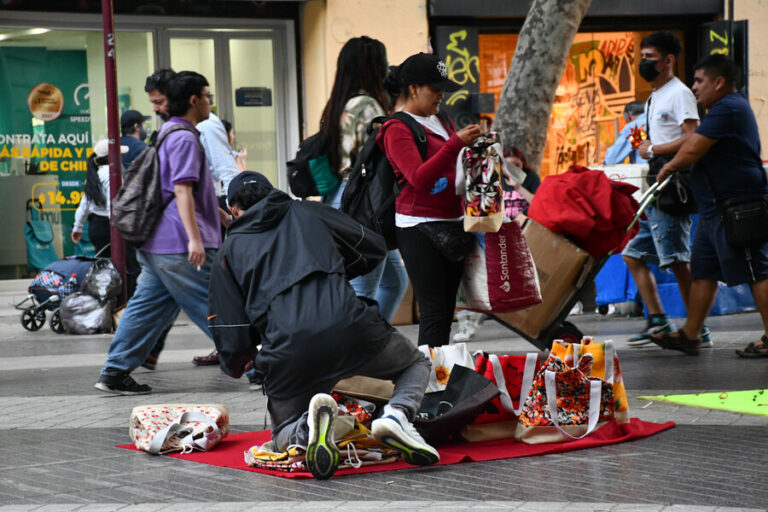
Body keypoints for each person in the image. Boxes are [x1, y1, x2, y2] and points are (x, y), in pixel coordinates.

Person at [208, 172, 439, 480]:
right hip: (351, 327)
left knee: (281, 434)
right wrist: (336, 273)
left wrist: (240, 362)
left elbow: (231, 325)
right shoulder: (309, 211)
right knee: (416, 363)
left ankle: (307, 428)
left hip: (288, 349)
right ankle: (397, 415)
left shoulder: (229, 251)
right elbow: (369, 245)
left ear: (234, 210)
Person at [94, 70, 221, 395]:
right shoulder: (182, 137)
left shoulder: (172, 133)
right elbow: (181, 191)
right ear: (193, 100)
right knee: (214, 303)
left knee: (146, 307)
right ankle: (257, 366)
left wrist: (224, 218)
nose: (210, 102)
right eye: (207, 96)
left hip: (157, 243)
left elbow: (193, 190)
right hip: (176, 244)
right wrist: (195, 239)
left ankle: (115, 371)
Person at [651, 55, 768, 356]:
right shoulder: (721, 109)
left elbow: (692, 147)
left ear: (719, 82)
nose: (694, 87)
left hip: (738, 206)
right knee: (703, 270)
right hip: (713, 209)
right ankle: (691, 335)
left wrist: (668, 167)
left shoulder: (729, 107)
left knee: (757, 270)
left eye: (699, 81)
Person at [379, 52, 481, 347]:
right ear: (413, 88)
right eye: (434, 89)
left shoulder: (442, 119)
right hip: (419, 228)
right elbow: (419, 178)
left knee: (446, 311)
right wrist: (456, 144)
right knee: (434, 312)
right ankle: (430, 385)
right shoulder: (396, 128)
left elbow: (453, 164)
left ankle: (441, 378)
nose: (440, 95)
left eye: (442, 89)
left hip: (455, 222)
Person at [620, 31, 711, 347]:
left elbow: (692, 136)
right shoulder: (653, 95)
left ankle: (696, 327)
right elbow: (651, 140)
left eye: (650, 58)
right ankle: (658, 320)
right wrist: (643, 144)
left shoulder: (680, 93)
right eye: (642, 57)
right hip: (657, 185)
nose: (644, 63)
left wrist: (656, 149)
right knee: (632, 254)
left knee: (676, 260)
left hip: (673, 187)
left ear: (669, 60)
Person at [317, 37, 408, 322]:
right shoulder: (368, 105)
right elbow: (383, 156)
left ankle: (374, 341)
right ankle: (361, 351)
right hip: (363, 203)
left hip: (339, 198)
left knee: (393, 282)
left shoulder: (337, 105)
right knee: (362, 291)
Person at [453, 145, 540, 342]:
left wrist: (517, 185)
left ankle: (528, 315)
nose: (511, 168)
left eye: (516, 165)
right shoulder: (490, 177)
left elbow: (537, 203)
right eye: (507, 165)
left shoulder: (529, 179)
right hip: (491, 231)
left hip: (522, 231)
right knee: (474, 273)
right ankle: (469, 320)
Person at [71, 139, 128, 255]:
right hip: (109, 227)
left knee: (104, 265)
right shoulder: (111, 174)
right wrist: (118, 229)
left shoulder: (95, 174)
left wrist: (77, 227)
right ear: (112, 156)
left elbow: (84, 205)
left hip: (97, 226)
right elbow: (112, 205)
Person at [603, 101, 648, 165]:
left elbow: (612, 159)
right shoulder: (653, 120)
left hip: (648, 171)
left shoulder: (635, 127)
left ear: (629, 117)